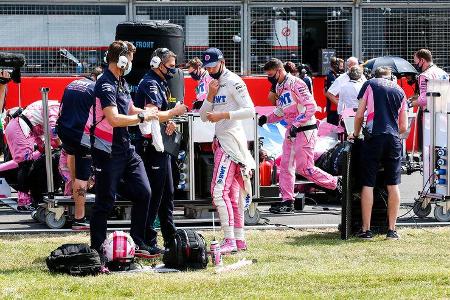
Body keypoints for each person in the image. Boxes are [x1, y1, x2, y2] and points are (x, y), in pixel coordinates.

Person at [84, 40, 158, 257]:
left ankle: (138, 242)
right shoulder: (105, 84)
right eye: (131, 59)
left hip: (126, 148)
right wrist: (142, 116)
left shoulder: (121, 82)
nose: (132, 63)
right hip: (107, 150)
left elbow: (130, 108)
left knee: (144, 192)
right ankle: (97, 249)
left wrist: (150, 113)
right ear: (122, 60)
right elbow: (114, 119)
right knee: (105, 202)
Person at [260, 58, 340, 214]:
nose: (269, 78)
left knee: (305, 168)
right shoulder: (279, 86)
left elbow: (311, 107)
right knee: (285, 167)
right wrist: (266, 119)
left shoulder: (296, 83)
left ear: (280, 70)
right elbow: (282, 111)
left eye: (271, 74)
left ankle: (336, 183)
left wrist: (296, 124)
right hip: (292, 130)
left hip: (305, 129)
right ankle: (287, 201)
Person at [199, 47, 255, 254]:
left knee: (218, 192)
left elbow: (250, 110)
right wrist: (211, 96)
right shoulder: (211, 82)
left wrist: (224, 115)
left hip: (231, 144)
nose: (210, 70)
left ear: (222, 62)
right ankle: (238, 240)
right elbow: (204, 116)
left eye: (213, 65)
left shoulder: (234, 81)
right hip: (220, 141)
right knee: (231, 193)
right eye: (207, 67)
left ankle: (230, 239)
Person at [134, 48, 187, 254]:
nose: (173, 71)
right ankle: (147, 238)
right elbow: (152, 115)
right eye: (170, 67)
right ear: (157, 63)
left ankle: (169, 237)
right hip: (151, 148)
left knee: (167, 193)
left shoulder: (159, 82)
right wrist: (174, 112)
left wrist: (170, 120)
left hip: (161, 146)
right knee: (155, 194)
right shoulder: (150, 83)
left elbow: (160, 116)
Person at [348, 66, 408, 240]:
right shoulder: (400, 90)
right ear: (391, 77)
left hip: (374, 137)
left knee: (368, 183)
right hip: (393, 140)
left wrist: (356, 134)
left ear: (374, 75)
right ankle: (392, 230)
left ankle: (366, 229)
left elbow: (359, 115)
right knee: (393, 184)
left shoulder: (370, 84)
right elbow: (403, 127)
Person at [57, 67, 102, 230]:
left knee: (72, 157)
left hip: (65, 130)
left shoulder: (72, 83)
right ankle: (79, 218)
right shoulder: (96, 89)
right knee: (83, 177)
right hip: (82, 135)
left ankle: (73, 192)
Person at [2, 100, 60, 210]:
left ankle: (26, 199)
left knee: (24, 163)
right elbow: (52, 130)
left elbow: (36, 129)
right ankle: (23, 201)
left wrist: (42, 145)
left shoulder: (51, 106)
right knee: (25, 164)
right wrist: (60, 144)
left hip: (18, 127)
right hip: (19, 128)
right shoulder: (55, 108)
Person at [325, 57, 344, 125]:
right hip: (333, 108)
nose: (342, 68)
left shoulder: (336, 75)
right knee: (332, 129)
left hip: (336, 107)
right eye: (341, 66)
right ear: (335, 66)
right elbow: (328, 93)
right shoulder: (331, 76)